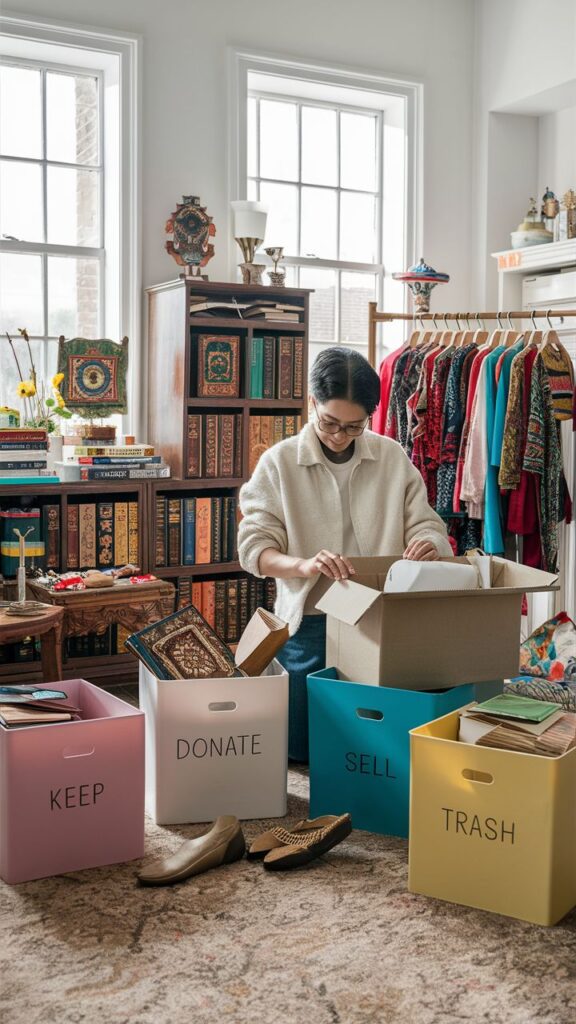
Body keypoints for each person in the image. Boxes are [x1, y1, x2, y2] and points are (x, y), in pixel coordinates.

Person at [238, 346, 452, 761]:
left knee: (387, 739)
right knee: (301, 748)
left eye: (354, 427)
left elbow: (427, 523)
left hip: (384, 613)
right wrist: (304, 564)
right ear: (312, 403)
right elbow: (255, 550)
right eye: (329, 423)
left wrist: (430, 543)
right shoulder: (279, 462)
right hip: (312, 618)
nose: (339, 435)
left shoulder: (390, 455)